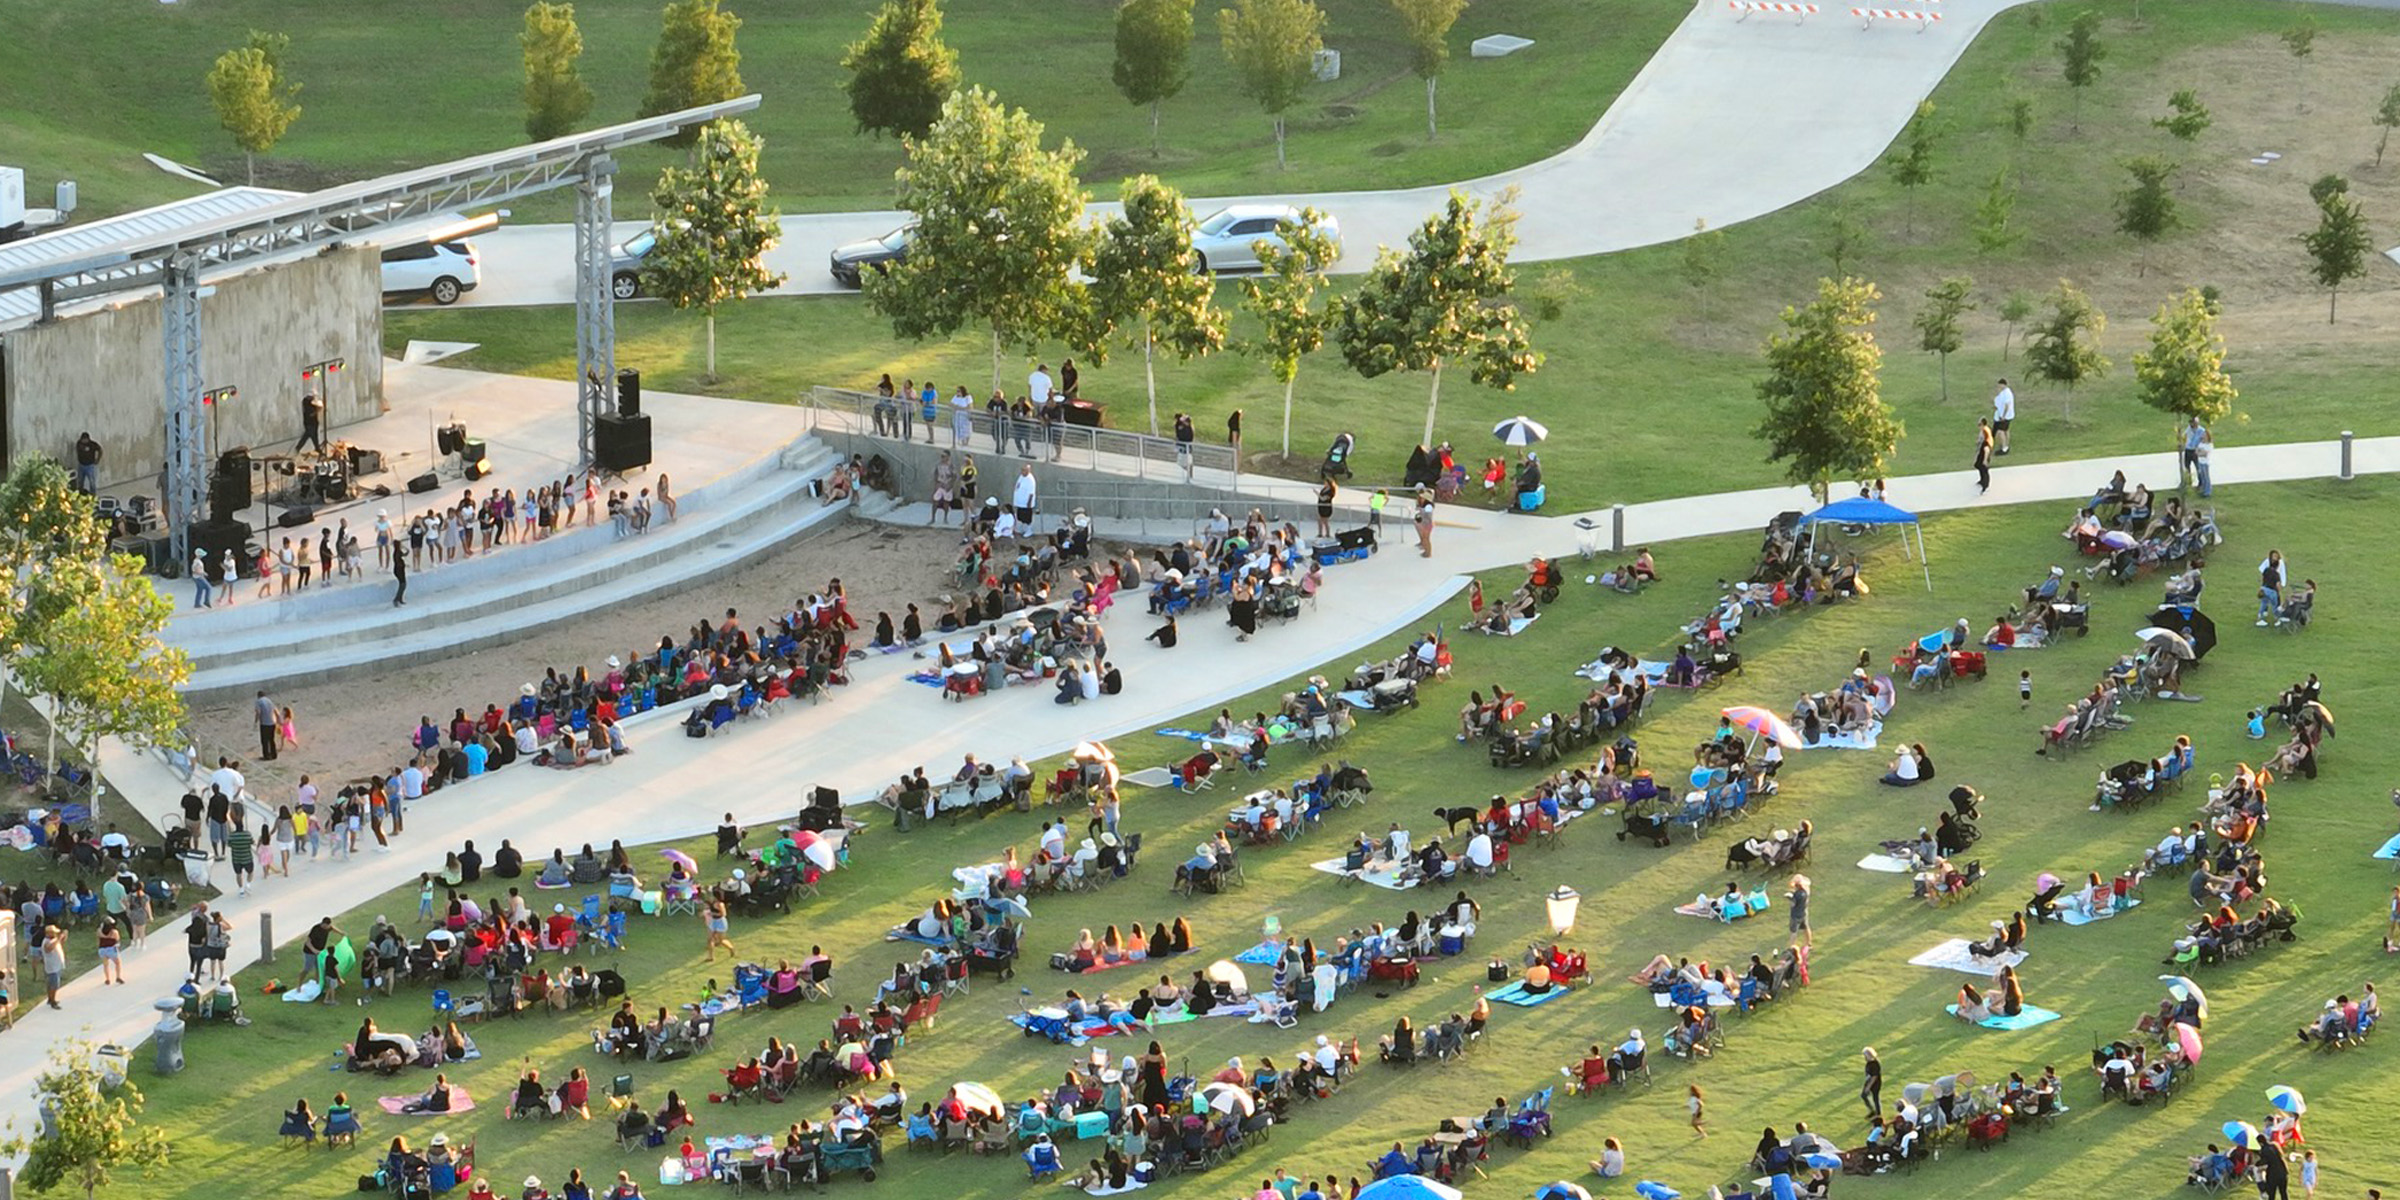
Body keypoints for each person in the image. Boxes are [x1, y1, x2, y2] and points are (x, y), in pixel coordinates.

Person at [1991, 379, 2014, 455]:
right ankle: (2006, 444)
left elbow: (2007, 406)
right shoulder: (2004, 392)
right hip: (2005, 415)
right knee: (2005, 430)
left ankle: (2004, 448)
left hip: (2005, 416)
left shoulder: (2007, 393)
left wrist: (2003, 416)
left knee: (2001, 431)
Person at [1973, 417, 1994, 493]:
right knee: (1978, 465)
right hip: (1982, 451)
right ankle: (1982, 480)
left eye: (1980, 424)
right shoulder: (1983, 430)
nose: (1978, 426)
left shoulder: (1986, 434)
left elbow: (1986, 449)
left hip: (1985, 452)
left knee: (1984, 468)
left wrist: (1985, 460)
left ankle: (1985, 485)